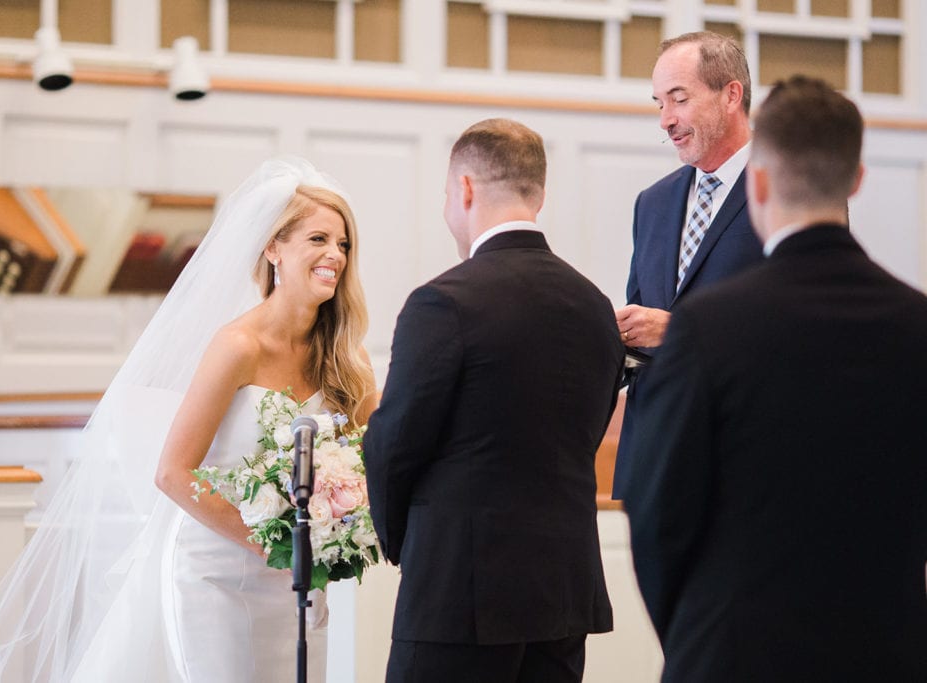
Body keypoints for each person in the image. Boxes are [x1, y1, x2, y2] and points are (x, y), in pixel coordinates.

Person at [0, 157, 377, 682]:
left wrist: (340, 528)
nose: (335, 256)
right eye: (319, 239)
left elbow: (371, 463)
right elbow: (172, 471)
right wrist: (270, 542)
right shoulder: (237, 346)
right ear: (273, 248)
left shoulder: (349, 359)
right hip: (215, 576)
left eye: (343, 244)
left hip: (300, 584)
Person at [622, 75, 927, 682]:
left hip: (736, 649)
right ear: (856, 182)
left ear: (757, 183)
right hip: (887, 651)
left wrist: (695, 632)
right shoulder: (917, 326)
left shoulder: (705, 330)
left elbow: (658, 515)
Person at [363, 118, 624, 682]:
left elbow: (395, 443)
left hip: (459, 590)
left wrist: (404, 542)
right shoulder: (595, 306)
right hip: (562, 593)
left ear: (464, 189)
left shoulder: (443, 302)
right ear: (540, 194)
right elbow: (591, 427)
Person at [612, 31, 764, 498]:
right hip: (655, 464)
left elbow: (806, 329)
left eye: (678, 100)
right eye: (659, 103)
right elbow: (640, 323)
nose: (665, 120)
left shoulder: (788, 191)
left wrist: (677, 333)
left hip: (745, 461)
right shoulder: (652, 203)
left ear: (730, 95)